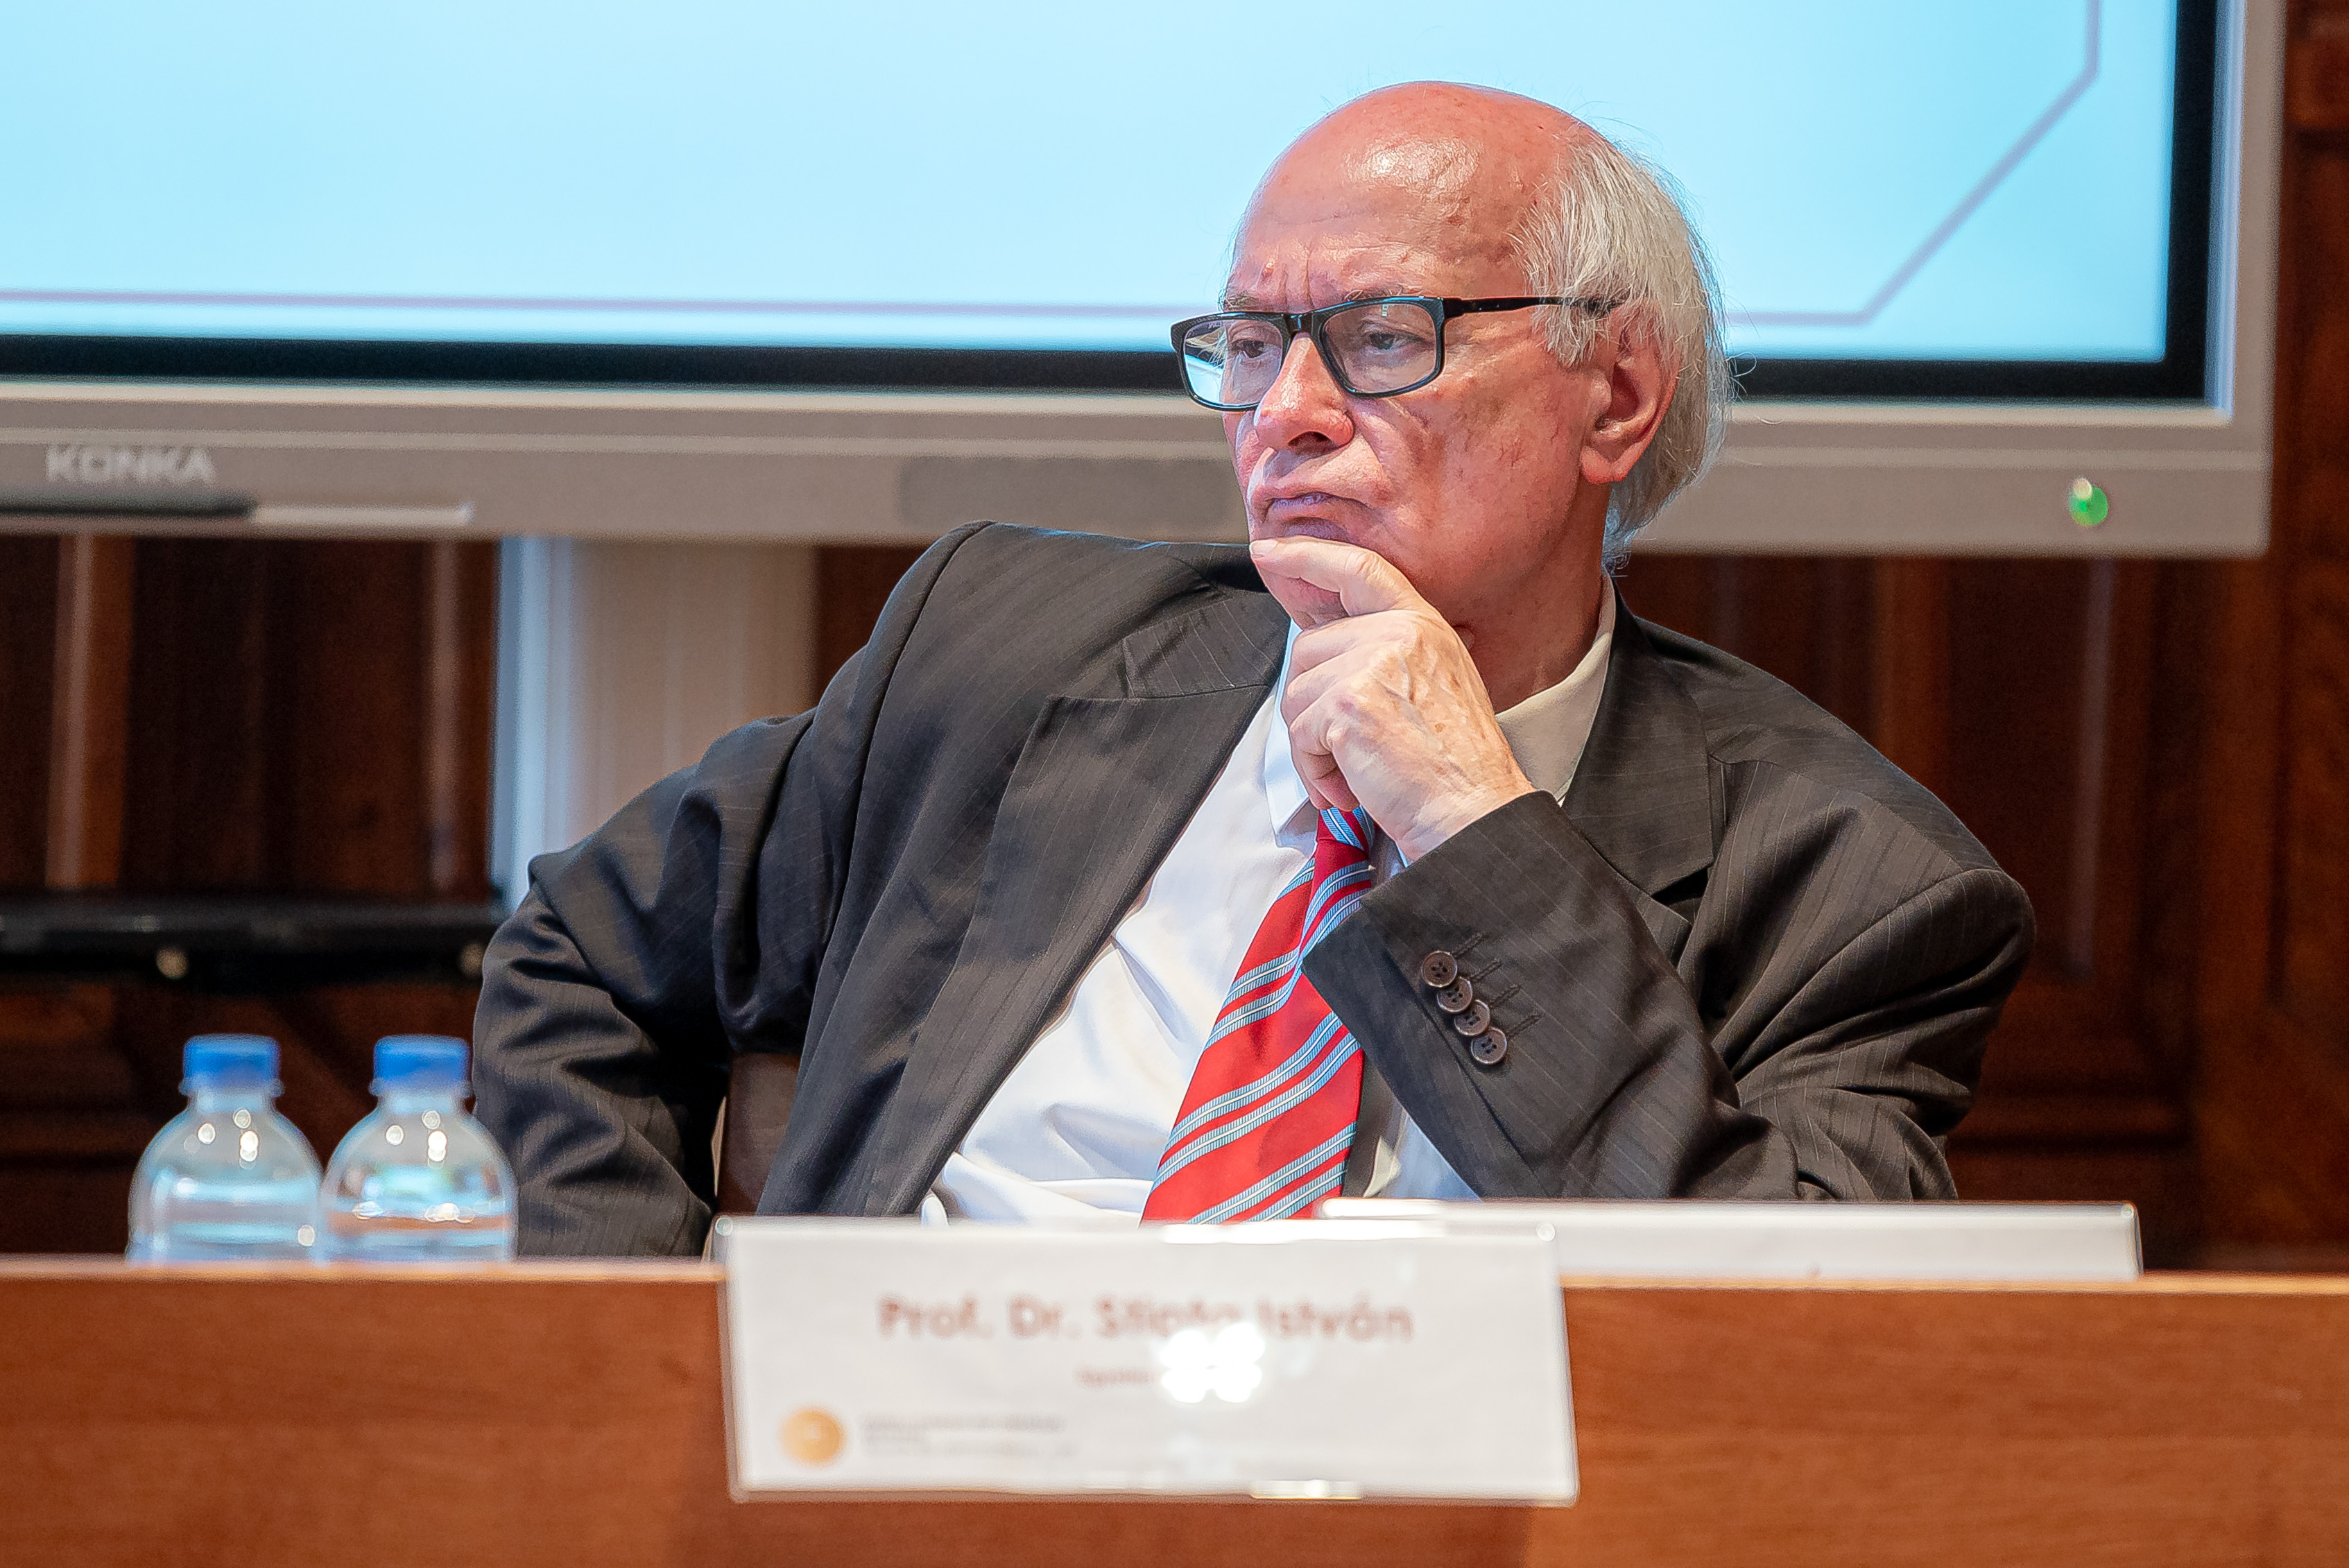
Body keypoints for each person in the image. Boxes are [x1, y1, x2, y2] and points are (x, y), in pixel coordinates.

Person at [474, 83, 2033, 1255]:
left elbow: (1786, 1333)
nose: (1283, 413)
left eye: (1381, 338)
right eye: (1247, 344)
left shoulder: (1852, 893)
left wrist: (1475, 839)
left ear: (1615, 395)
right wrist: (641, 1392)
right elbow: (582, 962)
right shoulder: (1001, 652)